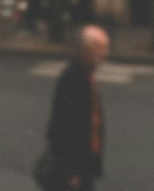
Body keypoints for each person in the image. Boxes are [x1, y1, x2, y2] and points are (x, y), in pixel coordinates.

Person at [44, 25, 110, 191]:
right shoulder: (73, 79)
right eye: (100, 48)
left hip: (83, 164)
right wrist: (70, 171)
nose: (105, 54)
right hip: (75, 168)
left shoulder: (86, 75)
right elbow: (62, 126)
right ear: (86, 50)